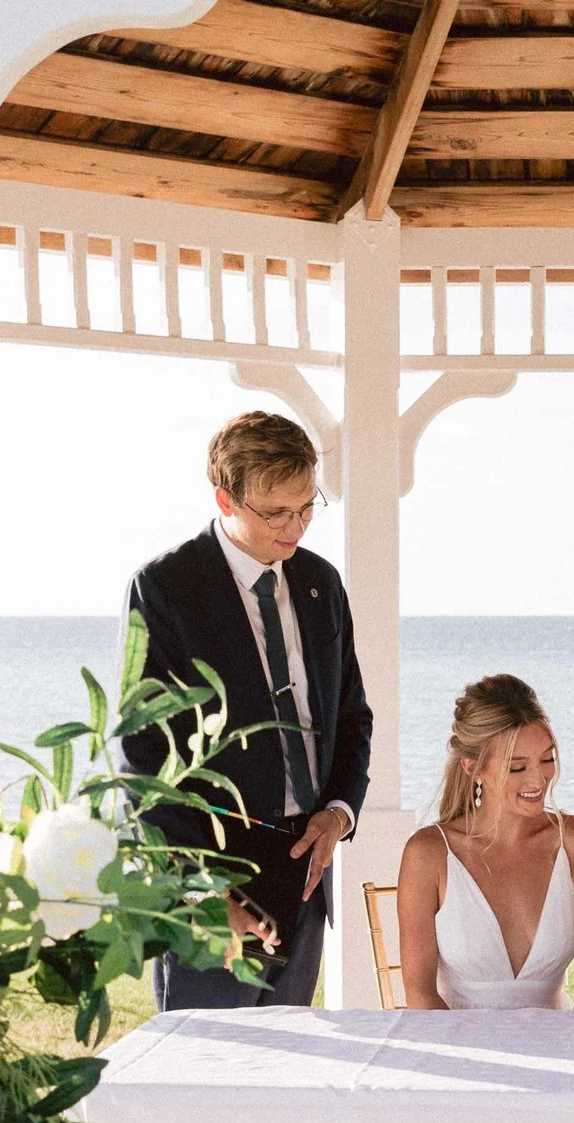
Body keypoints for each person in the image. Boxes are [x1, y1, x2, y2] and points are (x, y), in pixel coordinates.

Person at [115, 411, 372, 1010]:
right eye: (276, 512)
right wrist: (196, 889)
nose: (296, 527)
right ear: (224, 498)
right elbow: (140, 754)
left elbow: (352, 716)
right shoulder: (165, 587)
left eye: (307, 507)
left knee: (288, 1076)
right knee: (206, 1075)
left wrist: (338, 813)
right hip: (212, 878)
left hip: (306, 867)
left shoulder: (321, 584)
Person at [395, 676, 574, 1010]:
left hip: (565, 1044)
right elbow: (421, 995)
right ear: (473, 767)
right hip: (457, 1047)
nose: (538, 780)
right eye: (517, 767)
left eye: (547, 759)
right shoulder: (429, 854)